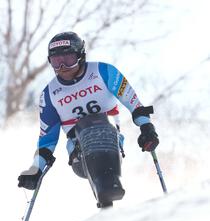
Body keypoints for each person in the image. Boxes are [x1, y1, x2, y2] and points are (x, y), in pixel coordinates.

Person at [17, 31, 159, 207]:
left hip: (111, 144)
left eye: (68, 59)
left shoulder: (104, 72)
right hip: (79, 155)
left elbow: (135, 104)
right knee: (84, 125)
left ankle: (108, 193)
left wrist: (147, 129)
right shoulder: (49, 94)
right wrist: (35, 169)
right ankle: (106, 191)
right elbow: (47, 141)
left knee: (97, 120)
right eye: (55, 61)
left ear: (81, 55)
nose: (62, 66)